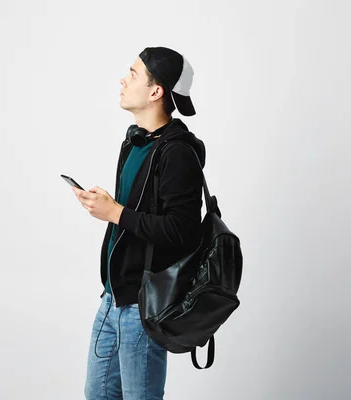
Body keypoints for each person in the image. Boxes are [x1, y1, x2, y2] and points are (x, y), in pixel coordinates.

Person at [72, 46, 206, 400]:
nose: (122, 80)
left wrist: (115, 213)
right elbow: (136, 215)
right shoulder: (133, 143)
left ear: (155, 91)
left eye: (132, 74)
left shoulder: (178, 153)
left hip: (143, 305)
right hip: (112, 296)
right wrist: (108, 205)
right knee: (97, 395)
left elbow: (182, 231)